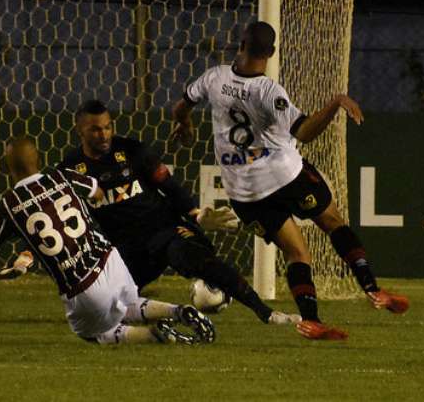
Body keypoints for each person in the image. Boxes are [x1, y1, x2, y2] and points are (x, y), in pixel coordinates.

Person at [170, 21, 409, 341]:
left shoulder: (214, 78)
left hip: (246, 193)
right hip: (286, 175)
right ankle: (373, 289)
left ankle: (311, 320)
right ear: (271, 52)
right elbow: (304, 132)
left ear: (241, 44)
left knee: (298, 253)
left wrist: (184, 124)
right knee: (333, 222)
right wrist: (335, 102)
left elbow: (182, 105)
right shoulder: (269, 91)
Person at [48, 99, 298, 326]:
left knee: (198, 260)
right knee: (105, 307)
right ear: (79, 130)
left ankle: (266, 313)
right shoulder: (69, 170)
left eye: (107, 127)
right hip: (126, 250)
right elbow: (54, 215)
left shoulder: (132, 151)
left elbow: (170, 187)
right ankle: (172, 315)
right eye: (95, 129)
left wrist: (196, 214)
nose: (104, 134)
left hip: (165, 231)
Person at [0, 136, 214, 345]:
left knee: (93, 332)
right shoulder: (63, 177)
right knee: (125, 303)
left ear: (8, 168)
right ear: (37, 159)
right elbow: (98, 191)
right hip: (111, 260)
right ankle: (177, 311)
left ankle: (154, 335)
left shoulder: (8, 205)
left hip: (82, 286)